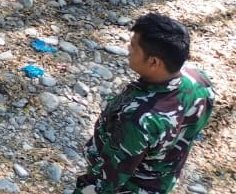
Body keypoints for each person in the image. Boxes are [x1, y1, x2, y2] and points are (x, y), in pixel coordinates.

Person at [74, 13, 215, 194]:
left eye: (134, 46)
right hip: (161, 180)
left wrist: (87, 188)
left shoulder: (138, 119)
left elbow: (108, 181)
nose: (128, 48)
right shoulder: (200, 82)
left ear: (154, 62)